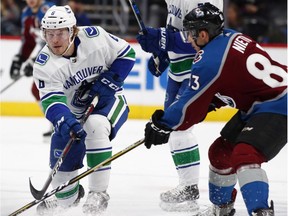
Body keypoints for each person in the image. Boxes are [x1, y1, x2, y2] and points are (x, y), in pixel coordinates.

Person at [142, 3, 287, 216]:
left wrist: (162, 124)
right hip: (261, 104)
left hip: (279, 104)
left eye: (191, 34)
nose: (189, 39)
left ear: (203, 34)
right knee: (220, 154)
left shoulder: (209, 60)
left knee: (245, 155)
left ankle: (261, 211)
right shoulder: (229, 37)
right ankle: (222, 209)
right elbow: (236, 82)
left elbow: (188, 106)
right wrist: (212, 102)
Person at [33, 5, 135, 215]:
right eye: (49, 34)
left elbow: (127, 53)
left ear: (73, 30)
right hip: (72, 115)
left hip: (108, 102)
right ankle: (69, 193)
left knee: (94, 126)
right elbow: (52, 102)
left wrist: (111, 80)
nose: (54, 40)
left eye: (60, 33)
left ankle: (98, 193)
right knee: (65, 199)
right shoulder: (44, 65)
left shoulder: (95, 37)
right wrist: (65, 121)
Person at [136, 0, 223, 212]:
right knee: (176, 128)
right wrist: (163, 54)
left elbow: (208, 35)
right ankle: (187, 186)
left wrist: (162, 40)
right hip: (177, 69)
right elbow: (175, 25)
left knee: (180, 127)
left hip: (198, 65)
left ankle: (189, 188)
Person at [9, 0, 55, 138]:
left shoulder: (50, 10)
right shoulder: (26, 13)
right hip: (48, 56)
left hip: (62, 55)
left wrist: (35, 60)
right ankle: (56, 124)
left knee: (58, 89)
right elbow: (29, 41)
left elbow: (55, 39)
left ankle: (64, 123)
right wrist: (20, 58)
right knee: (37, 90)